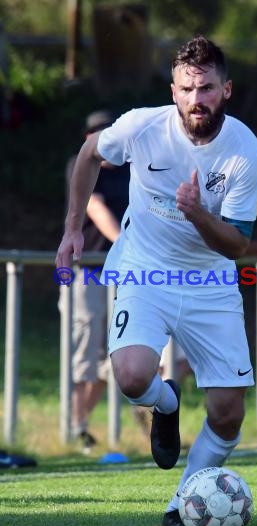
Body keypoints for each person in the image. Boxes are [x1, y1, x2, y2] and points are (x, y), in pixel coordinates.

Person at [56, 35, 257, 526]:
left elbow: (235, 245)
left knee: (228, 413)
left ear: (226, 90)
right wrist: (70, 230)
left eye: (208, 88)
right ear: (173, 90)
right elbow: (88, 154)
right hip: (143, 268)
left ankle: (182, 501)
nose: (197, 99)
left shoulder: (244, 151)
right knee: (130, 376)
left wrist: (196, 214)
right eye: (188, 88)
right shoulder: (141, 127)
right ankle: (164, 402)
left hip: (210, 279)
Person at [62, 110, 130, 452]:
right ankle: (76, 428)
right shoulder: (81, 164)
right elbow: (95, 209)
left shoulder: (128, 171)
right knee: (85, 351)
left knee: (115, 354)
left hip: (122, 274)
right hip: (88, 272)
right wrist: (124, 242)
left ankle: (81, 426)